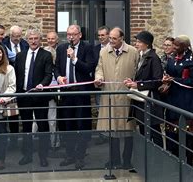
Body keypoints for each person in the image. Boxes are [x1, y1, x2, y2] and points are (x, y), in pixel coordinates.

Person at [95, 27, 138, 169]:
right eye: (110, 38)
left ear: (121, 38)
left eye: (114, 38)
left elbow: (138, 71)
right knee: (111, 130)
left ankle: (127, 160)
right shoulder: (103, 51)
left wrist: (135, 85)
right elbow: (99, 68)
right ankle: (114, 160)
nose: (111, 41)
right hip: (110, 96)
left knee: (128, 130)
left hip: (127, 96)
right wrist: (99, 78)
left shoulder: (133, 52)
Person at [56, 24, 95, 170]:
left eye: (73, 34)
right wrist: (59, 76)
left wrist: (74, 59)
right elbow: (56, 67)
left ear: (80, 35)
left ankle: (80, 156)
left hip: (81, 92)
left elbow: (89, 68)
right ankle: (69, 155)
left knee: (81, 124)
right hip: (66, 93)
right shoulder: (61, 48)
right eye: (68, 34)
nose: (70, 37)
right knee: (67, 125)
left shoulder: (88, 48)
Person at [15, 29, 53, 167]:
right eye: (30, 38)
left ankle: (43, 156)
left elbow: (49, 74)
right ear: (27, 40)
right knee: (26, 127)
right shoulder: (20, 56)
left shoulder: (46, 55)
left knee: (43, 126)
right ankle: (27, 155)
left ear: (40, 39)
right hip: (24, 96)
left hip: (40, 96)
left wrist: (42, 84)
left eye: (36, 38)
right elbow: (18, 75)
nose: (33, 41)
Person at [162, 35, 193, 166]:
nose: (174, 47)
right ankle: (173, 163)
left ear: (184, 46)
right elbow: (168, 72)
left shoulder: (191, 60)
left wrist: (175, 80)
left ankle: (188, 164)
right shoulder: (172, 58)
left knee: (187, 136)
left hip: (186, 101)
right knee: (171, 135)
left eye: (177, 45)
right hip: (172, 99)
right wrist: (166, 79)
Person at [124, 31, 163, 148]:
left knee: (153, 131)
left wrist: (138, 85)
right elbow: (143, 77)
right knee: (144, 130)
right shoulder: (143, 56)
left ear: (147, 44)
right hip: (142, 101)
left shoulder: (153, 58)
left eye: (139, 42)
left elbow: (157, 80)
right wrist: (132, 82)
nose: (136, 44)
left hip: (149, 101)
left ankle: (157, 157)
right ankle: (149, 157)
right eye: (137, 41)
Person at [44, 31, 59, 149]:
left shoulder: (56, 69)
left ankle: (53, 143)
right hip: (42, 95)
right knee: (36, 122)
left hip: (54, 96)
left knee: (52, 121)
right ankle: (37, 142)